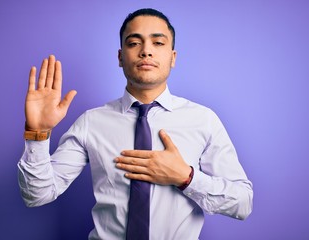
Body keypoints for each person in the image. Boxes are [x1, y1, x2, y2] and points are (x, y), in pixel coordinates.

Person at [18, 8, 253, 240]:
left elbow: (243, 203)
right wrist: (37, 132)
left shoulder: (203, 120)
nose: (146, 51)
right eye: (134, 43)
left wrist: (186, 178)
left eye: (158, 43)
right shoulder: (91, 122)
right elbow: (37, 195)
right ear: (120, 57)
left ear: (173, 58)